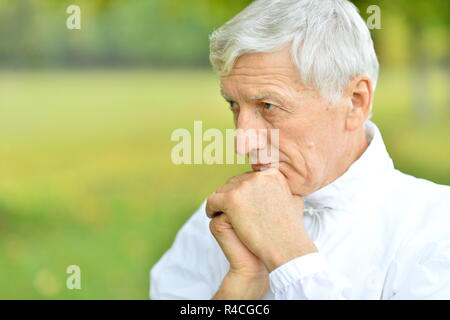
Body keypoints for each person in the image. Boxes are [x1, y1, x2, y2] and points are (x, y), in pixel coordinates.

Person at [150, 0, 450, 299]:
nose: (243, 142)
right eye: (233, 104)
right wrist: (244, 282)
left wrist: (288, 255)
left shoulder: (435, 228)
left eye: (268, 106)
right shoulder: (213, 226)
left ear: (355, 102)